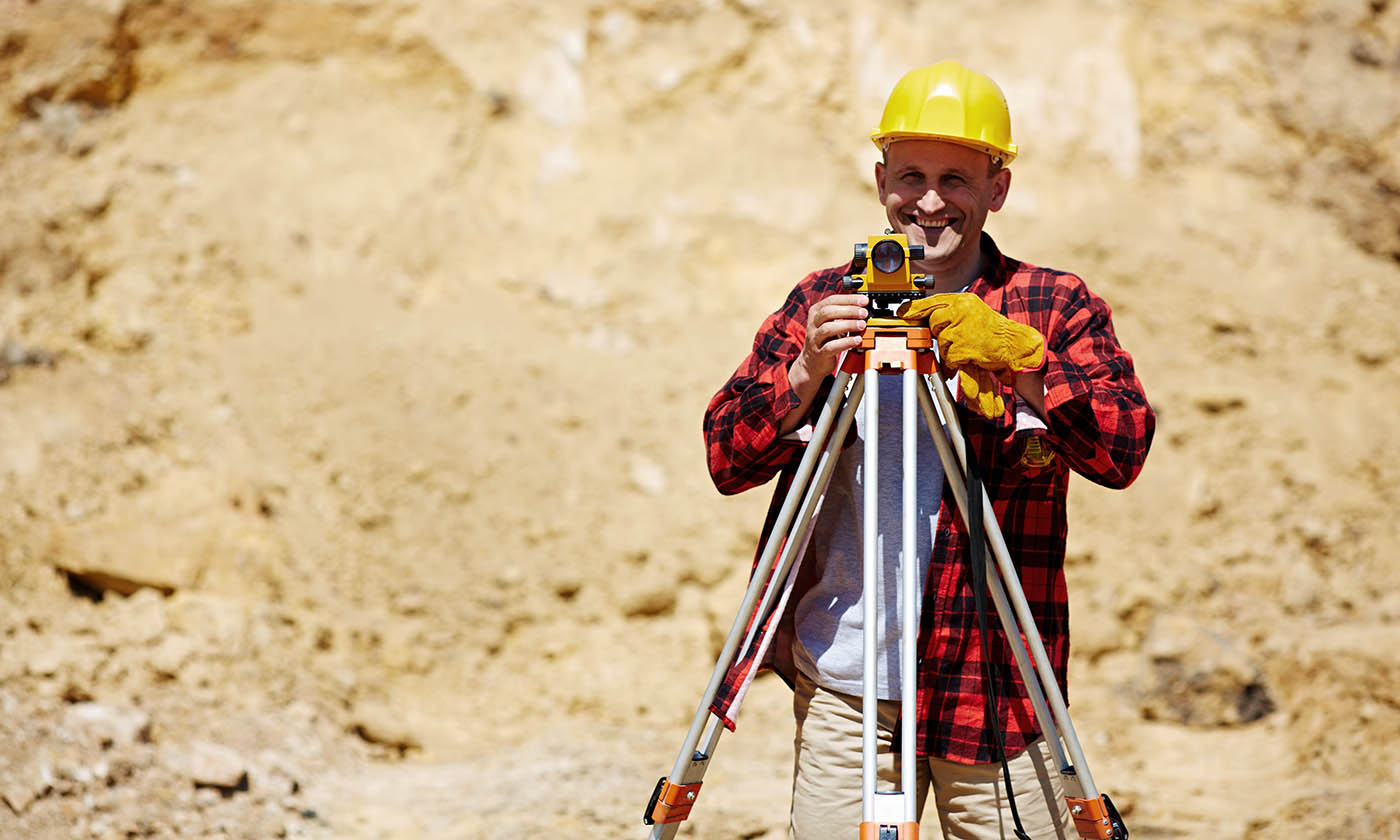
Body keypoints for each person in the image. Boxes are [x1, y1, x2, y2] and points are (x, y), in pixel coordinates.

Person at [701, 60, 1154, 840]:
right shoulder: (824, 302)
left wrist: (1025, 363)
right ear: (881, 181)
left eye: (957, 177)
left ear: (997, 188)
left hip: (997, 693)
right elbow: (725, 457)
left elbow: (1121, 449)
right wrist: (807, 369)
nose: (932, 200)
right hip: (847, 688)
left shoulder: (1052, 304)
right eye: (911, 175)